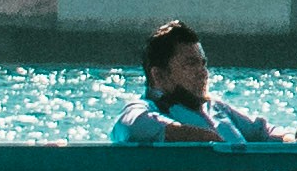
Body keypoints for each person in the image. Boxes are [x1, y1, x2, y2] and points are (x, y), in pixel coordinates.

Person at [116, 20, 279, 149]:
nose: (203, 72)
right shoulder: (147, 109)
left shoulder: (215, 107)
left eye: (203, 64)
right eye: (191, 64)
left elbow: (262, 131)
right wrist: (204, 140)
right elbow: (131, 125)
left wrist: (296, 137)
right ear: (159, 75)